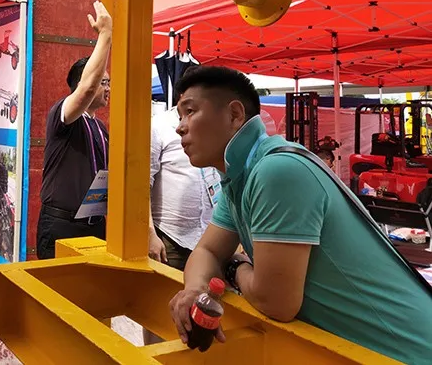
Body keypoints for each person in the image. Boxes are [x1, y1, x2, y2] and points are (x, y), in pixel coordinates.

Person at [168, 66, 432, 364]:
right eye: (180, 116)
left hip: (406, 352)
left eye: (190, 112)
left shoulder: (276, 171)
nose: (180, 127)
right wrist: (195, 289)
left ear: (234, 114)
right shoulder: (242, 175)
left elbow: (275, 302)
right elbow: (207, 251)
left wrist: (234, 267)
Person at [146, 72, 219, 344]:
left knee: (201, 313)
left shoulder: (212, 127)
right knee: (161, 313)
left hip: (209, 236)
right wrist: (150, 233)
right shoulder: (159, 126)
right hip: (170, 239)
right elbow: (143, 181)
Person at [37, 1, 112, 259]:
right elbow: (87, 89)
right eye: (103, 81)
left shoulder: (100, 127)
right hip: (62, 225)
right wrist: (105, 35)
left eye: (109, 82)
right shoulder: (64, 113)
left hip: (95, 224)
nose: (108, 88)